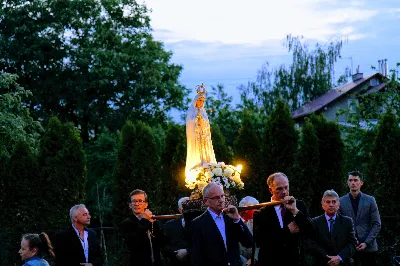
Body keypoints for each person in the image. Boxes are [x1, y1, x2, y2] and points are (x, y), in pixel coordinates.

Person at [253, 172, 313, 266]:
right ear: (270, 190)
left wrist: (295, 211)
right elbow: (261, 241)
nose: (284, 192)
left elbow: (311, 231)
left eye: (286, 187)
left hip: (296, 261)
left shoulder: (299, 206)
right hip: (272, 261)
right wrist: (287, 231)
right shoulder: (261, 213)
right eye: (279, 189)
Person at [190, 182, 253, 266]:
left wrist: (237, 219)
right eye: (216, 197)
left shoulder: (231, 218)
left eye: (222, 196)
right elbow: (196, 256)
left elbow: (248, 242)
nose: (221, 200)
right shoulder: (198, 223)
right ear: (206, 201)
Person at [339, 171, 381, 266]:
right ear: (347, 182)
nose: (353, 183)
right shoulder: (340, 201)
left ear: (361, 183)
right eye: (350, 180)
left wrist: (366, 242)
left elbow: (377, 224)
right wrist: (351, 239)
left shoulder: (370, 200)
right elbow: (339, 223)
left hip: (368, 247)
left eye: (355, 180)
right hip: (348, 246)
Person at [309, 190, 357, 266]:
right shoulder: (314, 222)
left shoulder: (347, 221)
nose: (331, 205)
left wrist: (339, 257)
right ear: (322, 204)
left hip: (343, 263)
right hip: (322, 263)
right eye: (328, 202)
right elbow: (311, 244)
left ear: (338, 204)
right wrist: (326, 257)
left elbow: (353, 244)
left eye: (334, 202)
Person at [119, 189, 163, 266]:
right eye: (134, 201)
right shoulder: (125, 224)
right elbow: (134, 243)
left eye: (140, 201)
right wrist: (145, 220)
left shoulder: (154, 221)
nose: (137, 204)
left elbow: (161, 242)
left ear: (146, 204)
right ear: (130, 205)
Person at [185, 84, 217, 175]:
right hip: (196, 138)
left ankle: (207, 164)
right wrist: (196, 120)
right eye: (199, 100)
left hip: (204, 138)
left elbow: (207, 125)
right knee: (197, 154)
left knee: (206, 154)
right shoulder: (191, 112)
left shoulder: (203, 112)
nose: (201, 102)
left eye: (203, 101)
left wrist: (202, 122)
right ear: (196, 101)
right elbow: (189, 124)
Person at [163, 196, 190, 266]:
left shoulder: (200, 223)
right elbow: (165, 245)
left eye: (190, 204)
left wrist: (187, 251)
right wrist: (175, 253)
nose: (188, 207)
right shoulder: (169, 225)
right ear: (180, 210)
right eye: (185, 205)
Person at [238, 196, 259, 266]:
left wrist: (254, 258)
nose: (257, 211)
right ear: (246, 210)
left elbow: (259, 242)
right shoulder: (234, 222)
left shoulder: (253, 222)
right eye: (255, 209)